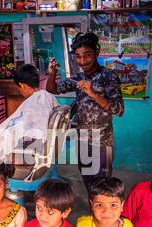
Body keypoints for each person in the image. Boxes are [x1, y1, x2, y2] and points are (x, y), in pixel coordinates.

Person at [46, 32, 124, 189]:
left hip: (102, 141)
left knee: (102, 186)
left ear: (97, 52)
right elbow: (52, 90)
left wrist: (94, 94)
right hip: (82, 140)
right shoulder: (78, 77)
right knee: (88, 183)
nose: (82, 61)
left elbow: (119, 110)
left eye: (87, 55)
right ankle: (92, 210)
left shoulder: (109, 77)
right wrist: (52, 74)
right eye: (78, 56)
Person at [0, 64, 60, 164]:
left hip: (33, 149)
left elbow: (20, 132)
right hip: (48, 145)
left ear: (22, 85)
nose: (20, 92)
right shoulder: (47, 96)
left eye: (19, 88)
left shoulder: (34, 102)